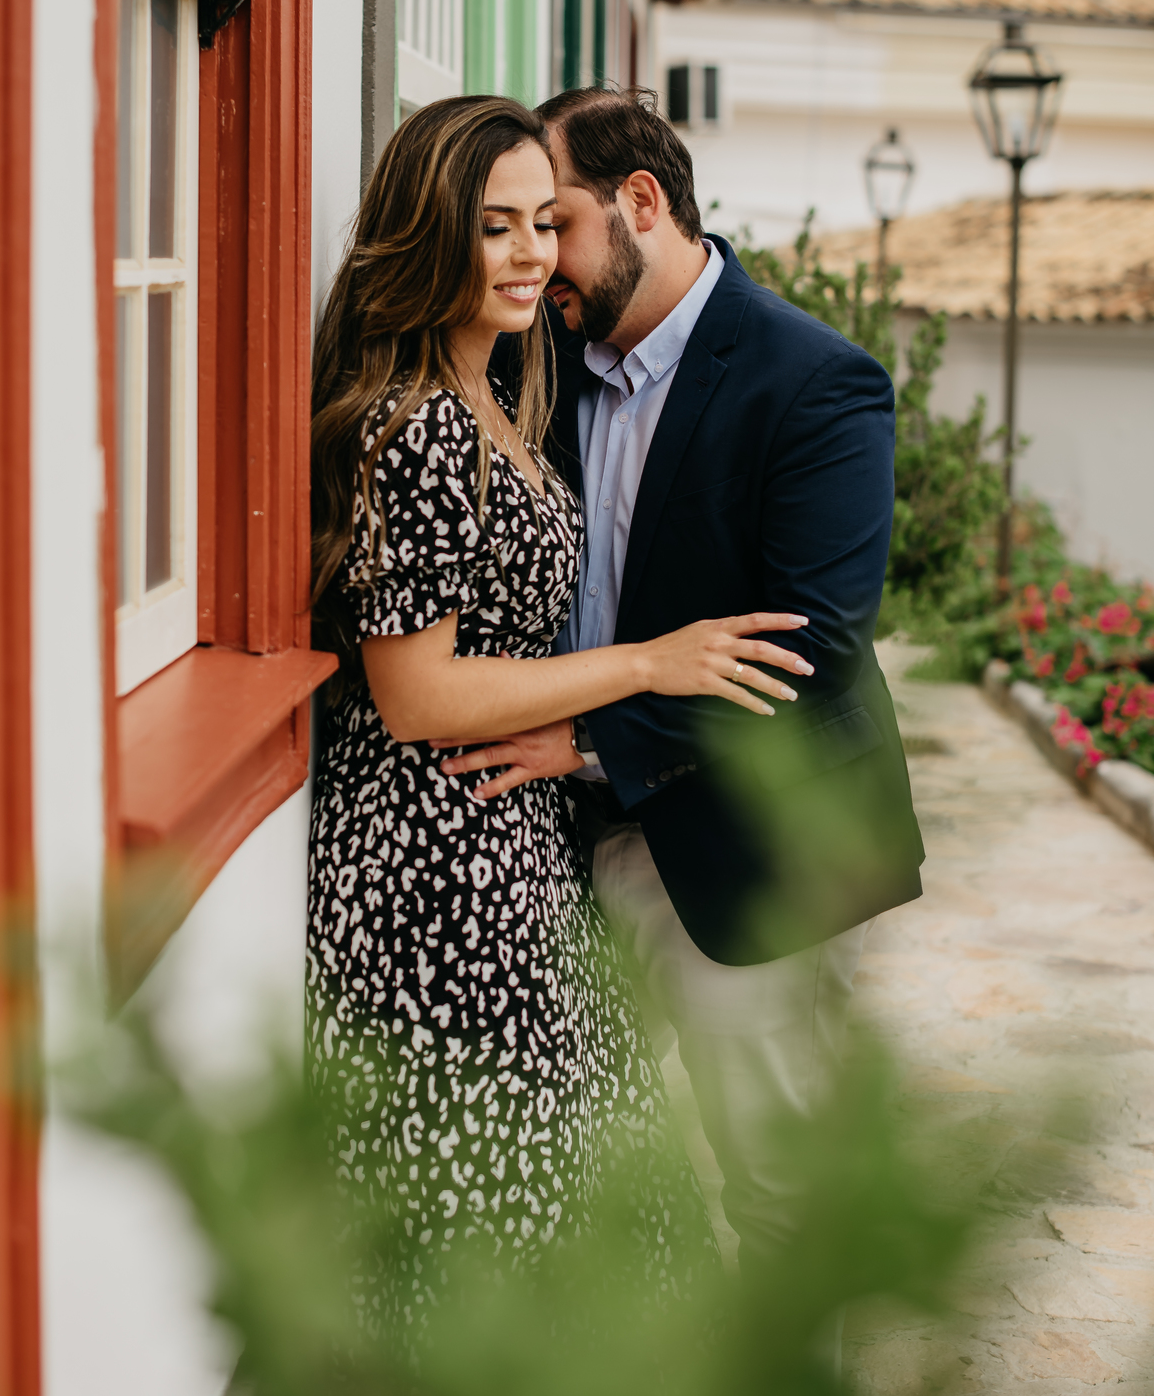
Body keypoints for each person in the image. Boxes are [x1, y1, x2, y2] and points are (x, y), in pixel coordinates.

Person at [306, 94, 814, 1331]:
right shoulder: (423, 424)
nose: (534, 251)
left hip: (510, 850)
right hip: (436, 868)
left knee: (571, 1199)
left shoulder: (507, 400)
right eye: (496, 226)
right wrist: (647, 665)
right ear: (431, 233)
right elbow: (415, 692)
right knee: (493, 1212)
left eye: (545, 220)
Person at [434, 86, 925, 1275]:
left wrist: (590, 737)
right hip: (549, 842)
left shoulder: (817, 384)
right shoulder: (534, 352)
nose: (541, 254)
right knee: (585, 1166)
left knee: (775, 1192)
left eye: (559, 221)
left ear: (640, 202)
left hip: (750, 847)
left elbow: (807, 652)